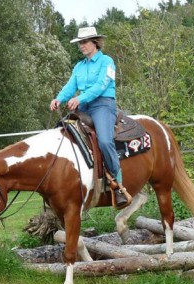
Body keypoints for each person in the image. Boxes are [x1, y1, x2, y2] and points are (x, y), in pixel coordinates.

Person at [50, 26, 130, 208]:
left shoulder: (107, 62)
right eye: (80, 43)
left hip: (103, 105)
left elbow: (102, 85)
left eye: (84, 42)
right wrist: (59, 99)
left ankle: (118, 184)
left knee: (104, 141)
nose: (81, 46)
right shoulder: (79, 66)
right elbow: (70, 87)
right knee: (61, 133)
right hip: (84, 106)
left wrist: (80, 98)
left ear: (95, 42)